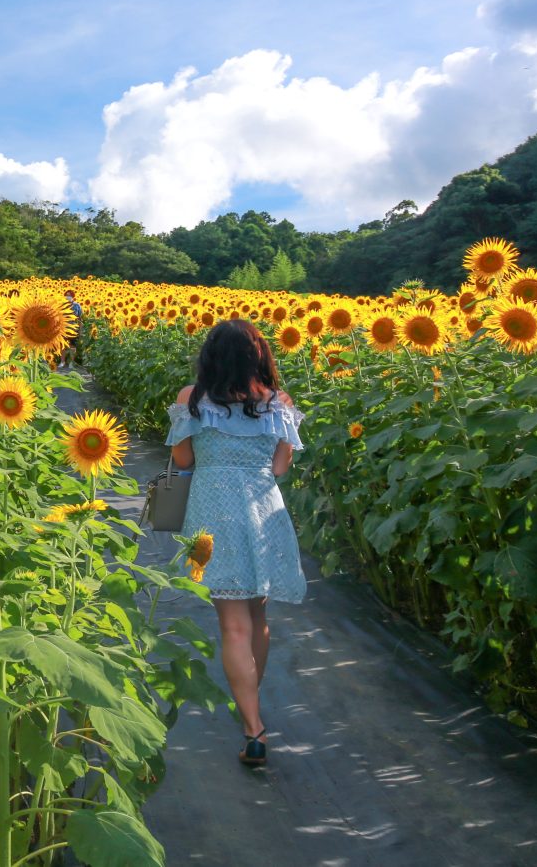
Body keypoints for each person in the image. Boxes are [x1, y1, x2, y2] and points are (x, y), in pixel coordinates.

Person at [164, 318, 306, 768]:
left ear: (210, 356)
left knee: (233, 626)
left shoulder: (193, 399)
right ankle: (250, 708)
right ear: (259, 356)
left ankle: (253, 727)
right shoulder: (276, 404)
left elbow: (182, 459)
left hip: (213, 512)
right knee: (258, 616)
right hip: (264, 511)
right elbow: (281, 468)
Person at [59, 290, 83, 370]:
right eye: (66, 295)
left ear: (73, 297)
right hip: (63, 328)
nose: (68, 297)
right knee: (63, 346)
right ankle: (62, 362)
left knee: (73, 346)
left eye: (69, 295)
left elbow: (80, 319)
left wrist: (80, 330)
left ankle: (71, 363)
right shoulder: (62, 305)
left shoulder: (77, 306)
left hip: (73, 328)